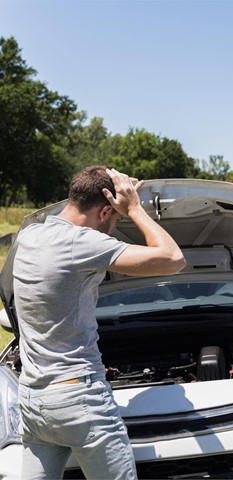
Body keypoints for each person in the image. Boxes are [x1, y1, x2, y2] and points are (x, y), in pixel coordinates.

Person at [12, 166, 186, 479]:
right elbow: (173, 258)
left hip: (33, 400)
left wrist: (115, 212)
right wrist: (133, 208)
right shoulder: (83, 245)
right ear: (106, 208)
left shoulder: (30, 235)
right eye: (113, 216)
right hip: (80, 400)